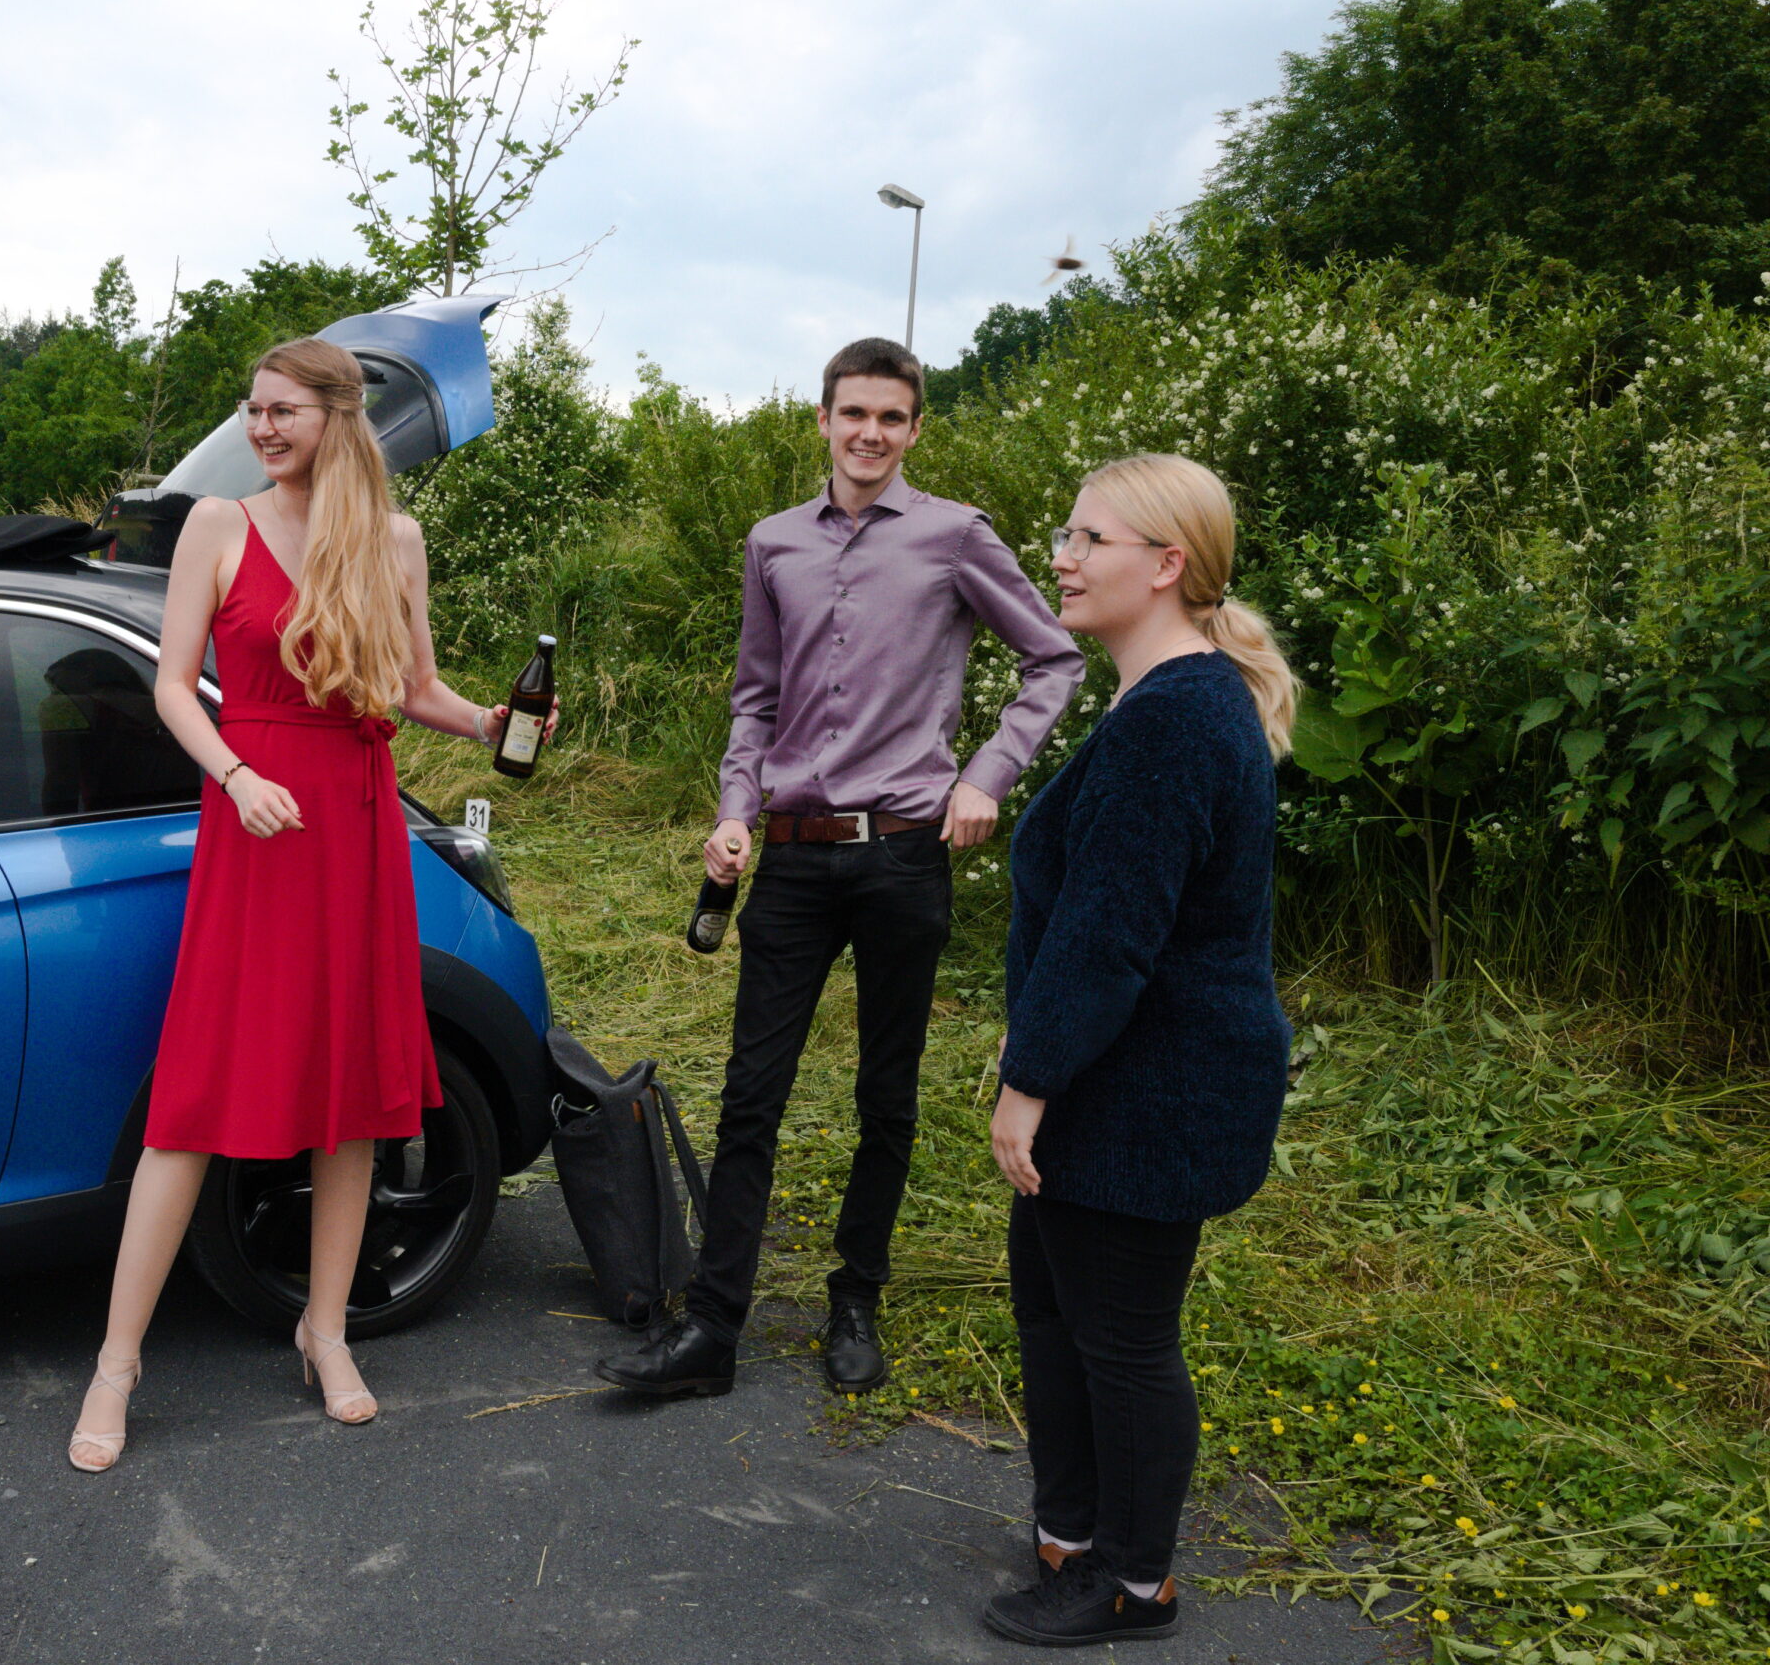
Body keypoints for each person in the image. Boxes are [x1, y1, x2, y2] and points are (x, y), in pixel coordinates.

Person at [67, 337, 554, 1473]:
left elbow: (410, 687)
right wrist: (236, 778)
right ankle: (117, 1361)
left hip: (355, 826)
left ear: (339, 418)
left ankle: (325, 1331)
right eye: (254, 410)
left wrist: (490, 722)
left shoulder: (396, 541)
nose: (262, 428)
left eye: (284, 410)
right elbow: (171, 686)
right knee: (193, 1100)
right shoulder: (217, 528)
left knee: (350, 1095)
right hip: (257, 826)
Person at [596, 337, 1083, 1401]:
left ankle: (855, 1299)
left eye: (891, 419)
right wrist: (733, 812)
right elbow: (754, 701)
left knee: (885, 1093)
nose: (870, 434)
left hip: (906, 855)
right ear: (820, 419)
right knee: (750, 1096)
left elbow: (1054, 657)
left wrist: (987, 775)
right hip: (792, 860)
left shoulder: (956, 537)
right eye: (852, 414)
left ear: (914, 429)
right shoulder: (772, 543)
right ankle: (712, 1330)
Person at [979, 453, 1296, 1646]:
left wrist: (1029, 1083)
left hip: (1146, 1090)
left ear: (1166, 566)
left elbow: (1111, 940)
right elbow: (1094, 924)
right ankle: (1071, 1533)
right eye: (1061, 533)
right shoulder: (1160, 699)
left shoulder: (1174, 722)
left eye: (1087, 539)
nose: (1059, 556)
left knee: (1119, 1339)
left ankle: (1133, 1580)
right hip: (1113, 1074)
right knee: (1057, 1315)